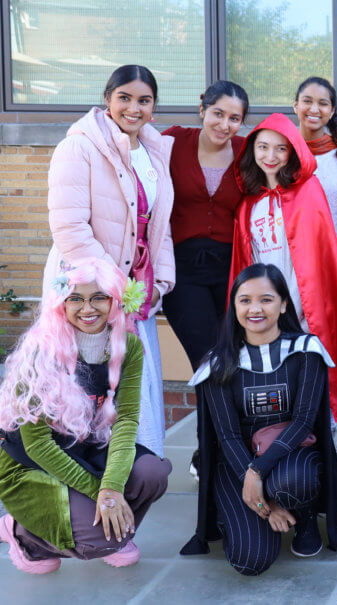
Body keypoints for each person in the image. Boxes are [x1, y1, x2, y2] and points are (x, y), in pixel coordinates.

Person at [181, 263, 337, 575]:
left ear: (284, 304)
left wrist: (258, 473)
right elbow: (227, 437)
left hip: (290, 455)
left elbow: (304, 421)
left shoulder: (305, 350)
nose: (255, 309)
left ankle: (303, 518)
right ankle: (261, 512)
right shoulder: (218, 362)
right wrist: (264, 501)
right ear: (234, 305)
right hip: (238, 462)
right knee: (249, 561)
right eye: (245, 300)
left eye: (266, 299)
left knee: (293, 483)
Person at [0, 257, 171, 573]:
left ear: (115, 300)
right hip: (32, 463)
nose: (87, 308)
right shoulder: (42, 351)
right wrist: (104, 494)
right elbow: (38, 447)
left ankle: (115, 530)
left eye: (98, 297)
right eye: (75, 299)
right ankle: (23, 534)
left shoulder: (127, 346)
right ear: (61, 304)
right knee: (97, 542)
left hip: (87, 447)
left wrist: (111, 488)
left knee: (152, 472)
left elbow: (127, 419)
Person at [44, 64, 174, 457]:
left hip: (134, 292)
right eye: (125, 98)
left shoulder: (153, 150)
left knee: (133, 382)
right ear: (107, 99)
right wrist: (116, 284)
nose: (134, 108)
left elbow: (161, 225)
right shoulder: (78, 146)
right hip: (88, 290)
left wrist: (160, 282)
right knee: (85, 386)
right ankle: (84, 481)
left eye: (144, 100)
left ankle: (133, 472)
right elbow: (69, 226)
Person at [229, 112, 337, 421]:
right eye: (263, 147)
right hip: (262, 308)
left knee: (307, 382)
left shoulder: (308, 192)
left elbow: (317, 258)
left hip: (301, 306)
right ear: (252, 150)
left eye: (281, 148)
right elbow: (247, 262)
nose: (271, 156)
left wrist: (298, 306)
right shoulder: (248, 203)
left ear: (293, 151)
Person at [163, 80, 249, 369]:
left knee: (234, 355)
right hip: (183, 270)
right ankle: (212, 415)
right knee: (205, 360)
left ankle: (226, 416)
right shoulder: (173, 141)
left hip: (231, 269)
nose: (224, 125)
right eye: (218, 113)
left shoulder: (246, 151)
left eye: (234, 118)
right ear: (202, 109)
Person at [293, 76, 337, 287]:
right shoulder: (281, 151)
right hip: (292, 255)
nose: (314, 109)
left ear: (331, 112)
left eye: (323, 103)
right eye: (307, 101)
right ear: (295, 106)